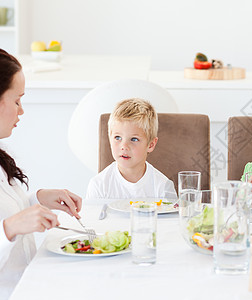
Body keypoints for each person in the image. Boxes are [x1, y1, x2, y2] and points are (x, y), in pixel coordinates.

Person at [0, 49, 82, 297]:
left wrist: (38, 199)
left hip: (30, 283)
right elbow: (7, 223)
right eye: (16, 100)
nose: (21, 111)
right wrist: (10, 228)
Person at [85, 98, 177, 201]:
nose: (124, 146)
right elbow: (92, 217)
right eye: (118, 138)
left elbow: (172, 216)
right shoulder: (98, 185)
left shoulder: (163, 187)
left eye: (134, 139)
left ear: (150, 145)